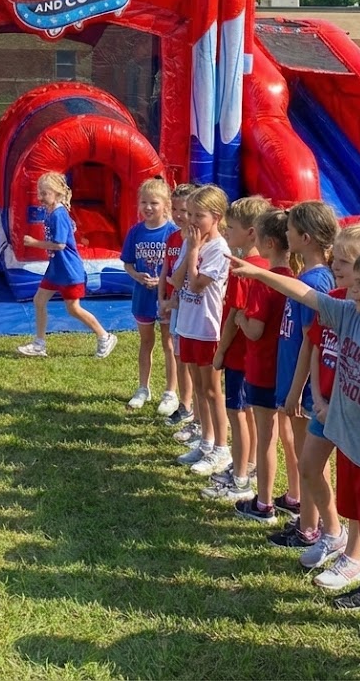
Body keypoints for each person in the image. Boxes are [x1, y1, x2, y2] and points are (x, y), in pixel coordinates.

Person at [230, 245, 360, 642]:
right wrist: (259, 274)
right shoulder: (352, 315)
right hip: (350, 448)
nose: (352, 289)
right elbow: (304, 294)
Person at [299, 224, 360, 592]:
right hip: (325, 406)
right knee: (309, 466)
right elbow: (315, 345)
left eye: (344, 261)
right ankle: (333, 532)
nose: (335, 266)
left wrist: (335, 404)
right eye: (334, 258)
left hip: (353, 414)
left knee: (356, 486)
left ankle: (353, 559)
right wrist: (316, 397)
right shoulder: (337, 301)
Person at [270, 201, 338, 550]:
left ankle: (317, 528)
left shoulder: (317, 282)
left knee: (309, 459)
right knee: (304, 457)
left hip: (306, 390)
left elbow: (313, 344)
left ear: (306, 238)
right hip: (295, 385)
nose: (285, 234)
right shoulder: (309, 277)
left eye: (291, 230)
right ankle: (309, 523)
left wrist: (297, 390)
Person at [202, 196, 269, 502]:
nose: (227, 232)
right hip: (250, 357)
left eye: (232, 228)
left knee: (237, 415)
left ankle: (240, 478)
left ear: (252, 232)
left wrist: (220, 352)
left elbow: (233, 315)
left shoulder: (244, 269)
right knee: (248, 414)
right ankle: (248, 465)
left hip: (240, 357)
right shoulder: (264, 266)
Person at [17, 172, 119, 360]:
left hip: (68, 269)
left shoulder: (58, 214)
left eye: (44, 193)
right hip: (56, 268)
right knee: (39, 301)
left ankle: (105, 336)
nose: (40, 197)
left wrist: (34, 243)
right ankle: (39, 344)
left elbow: (60, 244)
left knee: (73, 308)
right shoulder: (53, 212)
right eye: (39, 193)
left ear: (56, 193)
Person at [234, 208, 293, 526]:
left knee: (266, 437)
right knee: (287, 434)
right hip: (285, 371)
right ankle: (294, 496)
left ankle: (265, 502)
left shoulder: (262, 281)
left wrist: (241, 317)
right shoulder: (294, 280)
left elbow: (255, 330)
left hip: (261, 369)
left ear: (269, 243)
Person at [169, 184, 232, 476]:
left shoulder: (219, 249)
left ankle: (221, 447)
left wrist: (194, 250)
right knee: (197, 386)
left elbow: (195, 284)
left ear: (216, 217)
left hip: (207, 328)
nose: (192, 221)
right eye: (190, 214)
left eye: (199, 215)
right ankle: (206, 441)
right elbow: (176, 279)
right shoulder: (190, 241)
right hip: (188, 324)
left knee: (211, 390)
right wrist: (190, 248)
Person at [121, 178, 178, 414]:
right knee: (146, 342)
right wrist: (139, 277)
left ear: (165, 205)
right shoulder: (136, 231)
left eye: (154, 203)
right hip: (142, 297)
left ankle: (171, 391)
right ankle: (143, 387)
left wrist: (163, 282)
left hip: (165, 297)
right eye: (144, 202)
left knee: (169, 343)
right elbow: (128, 264)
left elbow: (177, 265)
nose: (148, 207)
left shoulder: (172, 232)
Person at [159, 183, 200, 433]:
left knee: (190, 359)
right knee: (179, 356)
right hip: (175, 306)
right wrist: (162, 298)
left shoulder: (198, 241)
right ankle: (185, 404)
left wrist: (174, 298)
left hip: (189, 307)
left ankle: (193, 407)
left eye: (183, 210)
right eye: (174, 209)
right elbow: (166, 270)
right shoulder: (174, 237)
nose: (178, 214)